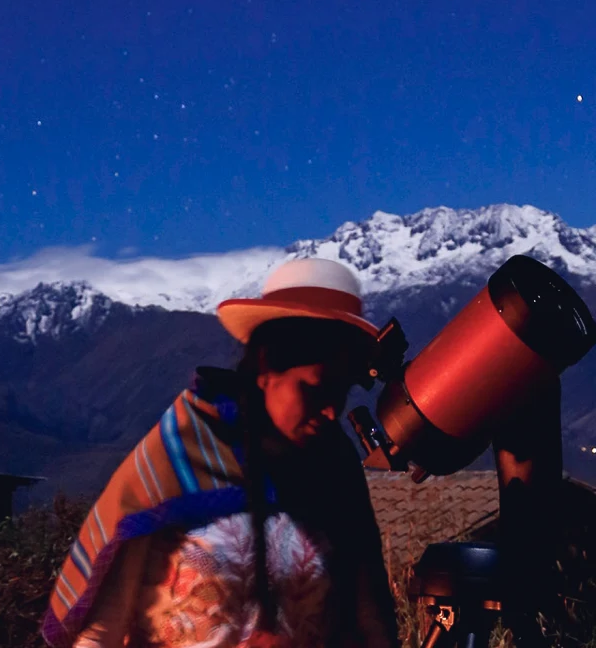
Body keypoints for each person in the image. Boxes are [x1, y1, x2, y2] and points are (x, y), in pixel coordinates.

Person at [41, 258, 400, 648]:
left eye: (341, 392)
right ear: (266, 366)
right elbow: (100, 632)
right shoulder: (181, 452)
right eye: (315, 389)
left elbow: (369, 623)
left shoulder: (334, 471)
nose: (331, 411)